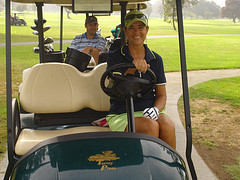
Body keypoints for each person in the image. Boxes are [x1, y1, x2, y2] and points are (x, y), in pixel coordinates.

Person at [106, 10, 176, 149]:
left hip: (150, 109)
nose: (136, 32)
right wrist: (132, 69)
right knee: (150, 126)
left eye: (140, 27)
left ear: (147, 30)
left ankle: (170, 168)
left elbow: (162, 95)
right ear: (125, 31)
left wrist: (156, 109)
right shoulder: (115, 57)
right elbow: (114, 89)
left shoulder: (156, 60)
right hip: (123, 111)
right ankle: (148, 168)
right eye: (131, 28)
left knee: (168, 126)